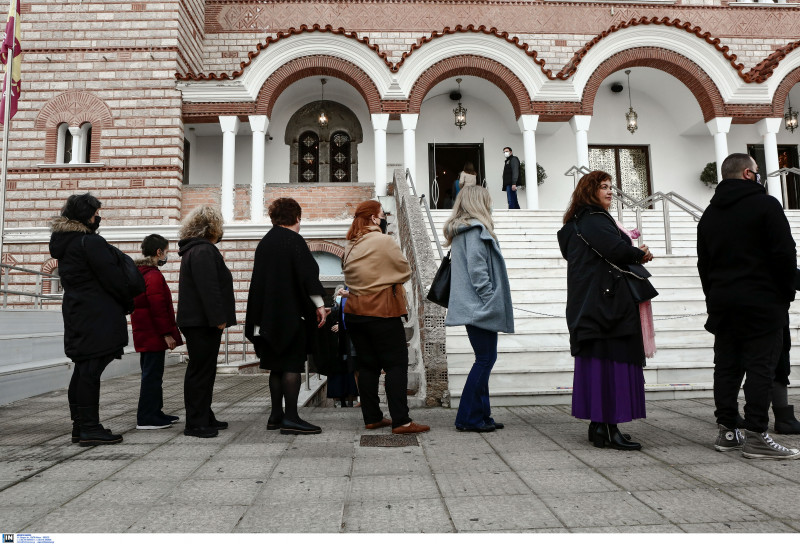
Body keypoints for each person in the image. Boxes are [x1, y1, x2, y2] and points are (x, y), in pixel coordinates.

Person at [697, 153, 800, 459]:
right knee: (761, 368)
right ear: (747, 174)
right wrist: (785, 294)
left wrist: (713, 297)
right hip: (762, 302)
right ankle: (756, 434)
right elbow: (784, 254)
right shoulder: (766, 205)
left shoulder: (709, 215)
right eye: (756, 172)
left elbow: (704, 264)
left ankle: (728, 431)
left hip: (724, 303)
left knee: (727, 368)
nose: (759, 176)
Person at [557, 171, 655, 450]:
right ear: (590, 191)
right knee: (613, 361)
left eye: (611, 187)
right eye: (603, 187)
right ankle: (610, 428)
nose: (610, 192)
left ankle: (598, 426)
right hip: (607, 305)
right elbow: (616, 250)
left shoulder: (575, 223)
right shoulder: (596, 220)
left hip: (587, 304)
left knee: (597, 363)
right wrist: (640, 254)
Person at [49, 193, 132, 446]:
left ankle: (81, 425)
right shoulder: (88, 242)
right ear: (86, 215)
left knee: (84, 369)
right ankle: (89, 427)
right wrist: (127, 301)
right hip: (96, 314)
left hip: (78, 311)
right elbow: (113, 278)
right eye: (96, 213)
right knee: (90, 370)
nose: (99, 217)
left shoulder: (65, 243)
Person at [342, 200, 430, 434]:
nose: (384, 218)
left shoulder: (350, 244)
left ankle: (372, 417)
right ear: (373, 218)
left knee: (368, 365)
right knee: (396, 364)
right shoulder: (383, 240)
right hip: (381, 310)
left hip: (354, 312)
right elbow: (404, 270)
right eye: (382, 214)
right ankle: (401, 421)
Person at [245, 198, 327, 435]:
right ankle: (291, 417)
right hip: (289, 316)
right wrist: (320, 304)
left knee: (275, 366)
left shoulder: (265, 242)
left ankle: (275, 416)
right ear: (297, 218)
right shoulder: (294, 241)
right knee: (291, 364)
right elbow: (308, 275)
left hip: (265, 318)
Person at [443, 185, 514, 432]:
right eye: (488, 200)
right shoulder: (474, 230)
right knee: (485, 359)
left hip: (474, 306)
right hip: (479, 307)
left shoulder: (465, 231)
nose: (491, 204)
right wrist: (490, 299)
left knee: (485, 358)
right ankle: (468, 418)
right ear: (478, 203)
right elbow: (477, 271)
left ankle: (482, 415)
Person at [176, 206, 236, 439]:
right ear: (212, 227)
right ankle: (196, 423)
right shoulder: (203, 251)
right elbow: (208, 288)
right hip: (202, 322)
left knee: (204, 371)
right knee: (200, 372)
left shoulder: (196, 250)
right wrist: (218, 318)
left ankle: (204, 414)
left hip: (198, 321)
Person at [131, 234, 183, 430]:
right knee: (152, 376)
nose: (167, 256)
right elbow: (158, 308)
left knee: (152, 374)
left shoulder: (141, 273)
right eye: (166, 252)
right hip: (152, 334)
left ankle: (155, 412)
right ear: (159, 252)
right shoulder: (152, 275)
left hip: (146, 333)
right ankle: (146, 417)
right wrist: (167, 334)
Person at [326, 287, 359, 408]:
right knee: (339, 373)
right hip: (337, 347)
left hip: (347, 343)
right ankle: (341, 401)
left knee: (351, 372)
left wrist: (342, 325)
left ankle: (352, 400)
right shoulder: (335, 307)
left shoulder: (350, 298)